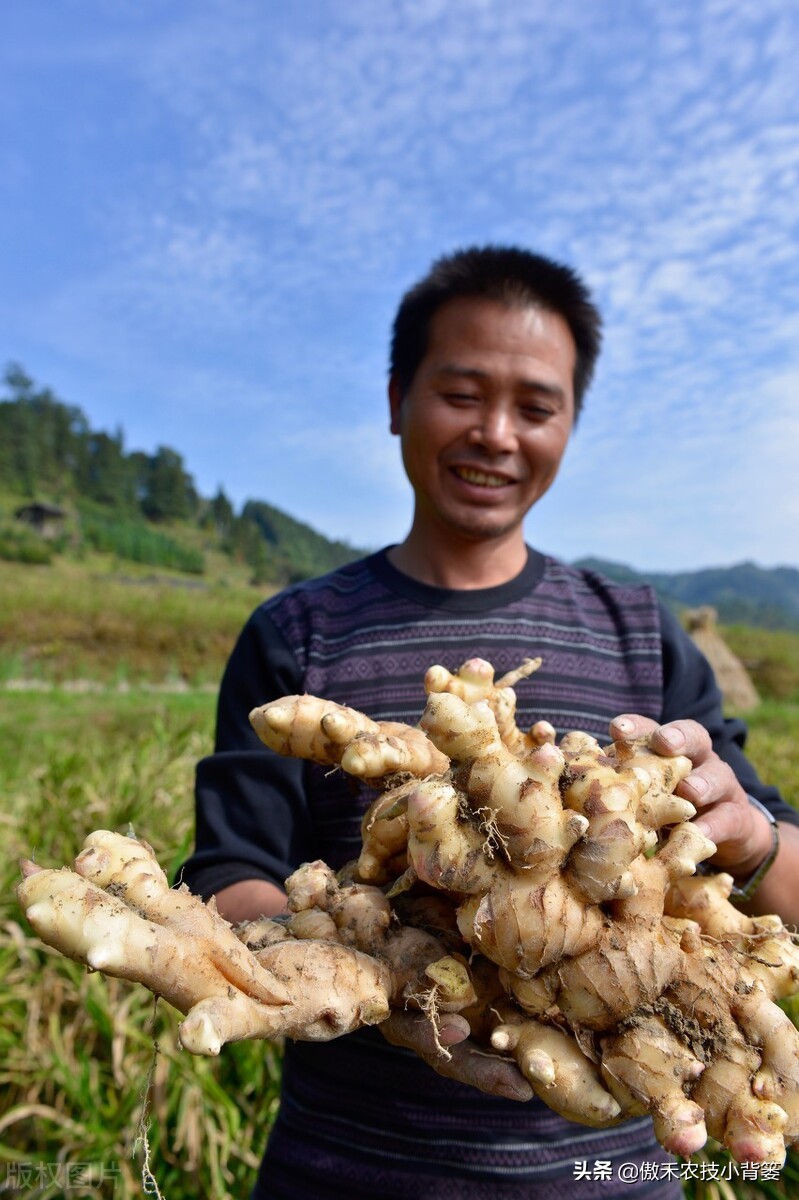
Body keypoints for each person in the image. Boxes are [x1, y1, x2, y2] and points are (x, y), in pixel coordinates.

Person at [180, 246, 799, 1200]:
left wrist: (750, 840)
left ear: (570, 425)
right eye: (462, 393)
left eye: (536, 407)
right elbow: (230, 875)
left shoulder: (640, 629)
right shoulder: (295, 634)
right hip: (346, 1171)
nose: (497, 434)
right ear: (397, 400)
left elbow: (767, 877)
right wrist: (376, 970)